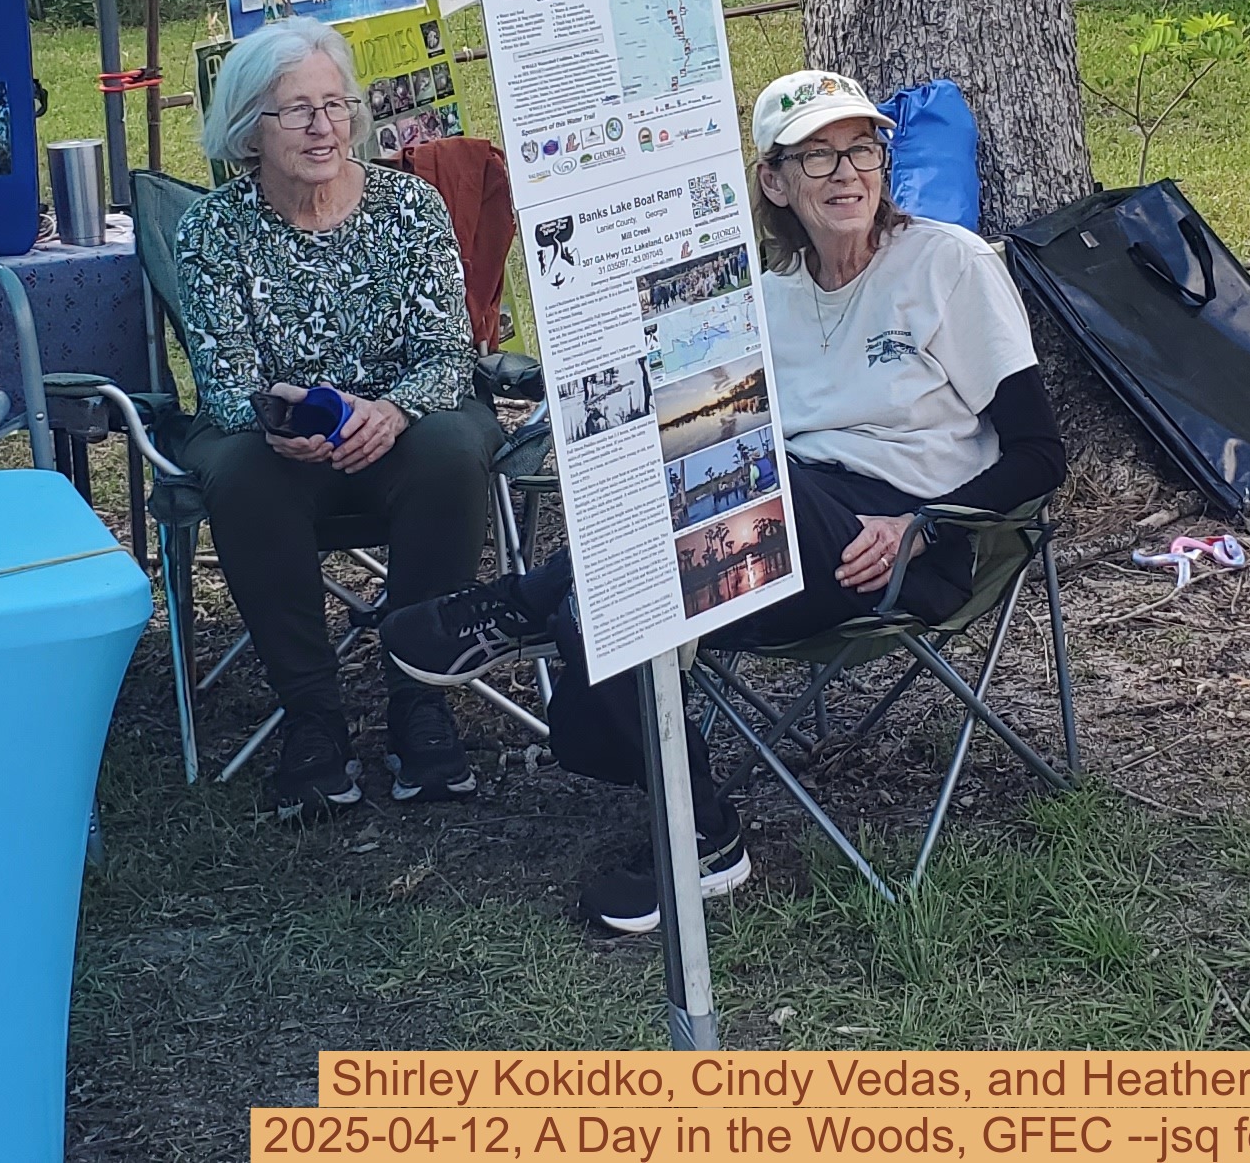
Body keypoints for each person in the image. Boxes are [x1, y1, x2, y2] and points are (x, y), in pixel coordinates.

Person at [382, 69, 1069, 932]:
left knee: (717, 486)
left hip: (901, 539)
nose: (847, 173)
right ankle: (703, 834)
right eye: (816, 157)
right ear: (775, 182)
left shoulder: (947, 264)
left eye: (862, 148)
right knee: (613, 597)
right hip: (769, 526)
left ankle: (523, 602)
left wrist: (919, 529)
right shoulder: (769, 295)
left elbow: (1042, 455)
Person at [176, 19, 503, 818]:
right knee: (241, 470)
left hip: (402, 423)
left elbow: (446, 353)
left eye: (336, 105)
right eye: (299, 110)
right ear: (249, 129)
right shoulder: (211, 233)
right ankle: (312, 717)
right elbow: (225, 379)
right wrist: (283, 420)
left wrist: (388, 411)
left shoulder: (410, 209)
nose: (325, 127)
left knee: (453, 449)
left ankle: (420, 699)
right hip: (279, 438)